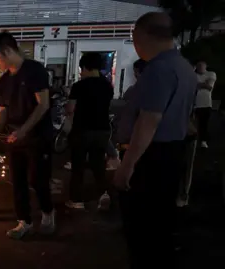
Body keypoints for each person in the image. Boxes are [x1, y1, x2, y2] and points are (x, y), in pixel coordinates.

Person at [113, 12, 197, 269]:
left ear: (143, 36)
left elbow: (149, 121)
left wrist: (126, 166)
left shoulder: (159, 69)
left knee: (142, 230)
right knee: (159, 226)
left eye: (134, 38)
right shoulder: (184, 67)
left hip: (150, 158)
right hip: (171, 154)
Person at [0, 31, 55, 239]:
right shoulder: (4, 80)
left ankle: (47, 212)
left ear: (7, 51)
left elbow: (43, 104)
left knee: (37, 179)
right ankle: (23, 221)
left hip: (37, 136)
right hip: (14, 138)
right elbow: (3, 109)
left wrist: (23, 130)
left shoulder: (34, 71)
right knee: (17, 180)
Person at [65, 53, 114, 210]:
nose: (81, 72)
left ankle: (76, 200)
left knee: (78, 166)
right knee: (98, 164)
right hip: (102, 130)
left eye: (82, 69)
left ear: (85, 67)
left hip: (82, 130)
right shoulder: (107, 86)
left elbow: (70, 109)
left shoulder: (79, 86)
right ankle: (103, 194)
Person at [116, 59, 147, 159]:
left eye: (135, 72)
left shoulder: (133, 91)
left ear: (138, 72)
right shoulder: (157, 91)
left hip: (130, 137)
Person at [194, 60, 217, 148]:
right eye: (198, 65)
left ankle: (203, 141)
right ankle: (195, 139)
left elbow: (209, 87)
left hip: (205, 103)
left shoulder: (211, 74)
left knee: (204, 123)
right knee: (194, 122)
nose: (199, 67)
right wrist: (203, 83)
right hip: (194, 103)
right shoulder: (194, 75)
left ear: (205, 66)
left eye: (201, 65)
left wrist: (198, 84)